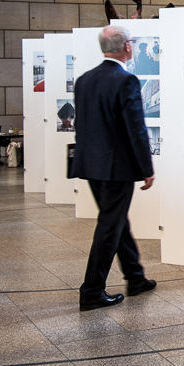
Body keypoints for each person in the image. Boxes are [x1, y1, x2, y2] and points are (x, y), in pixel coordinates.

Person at [71, 25, 157, 312]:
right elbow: (136, 129)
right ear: (127, 47)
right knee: (110, 226)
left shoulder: (84, 80)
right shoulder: (125, 80)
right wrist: (147, 167)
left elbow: (81, 125)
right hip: (116, 167)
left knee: (116, 220)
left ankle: (135, 278)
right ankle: (92, 291)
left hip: (90, 164)